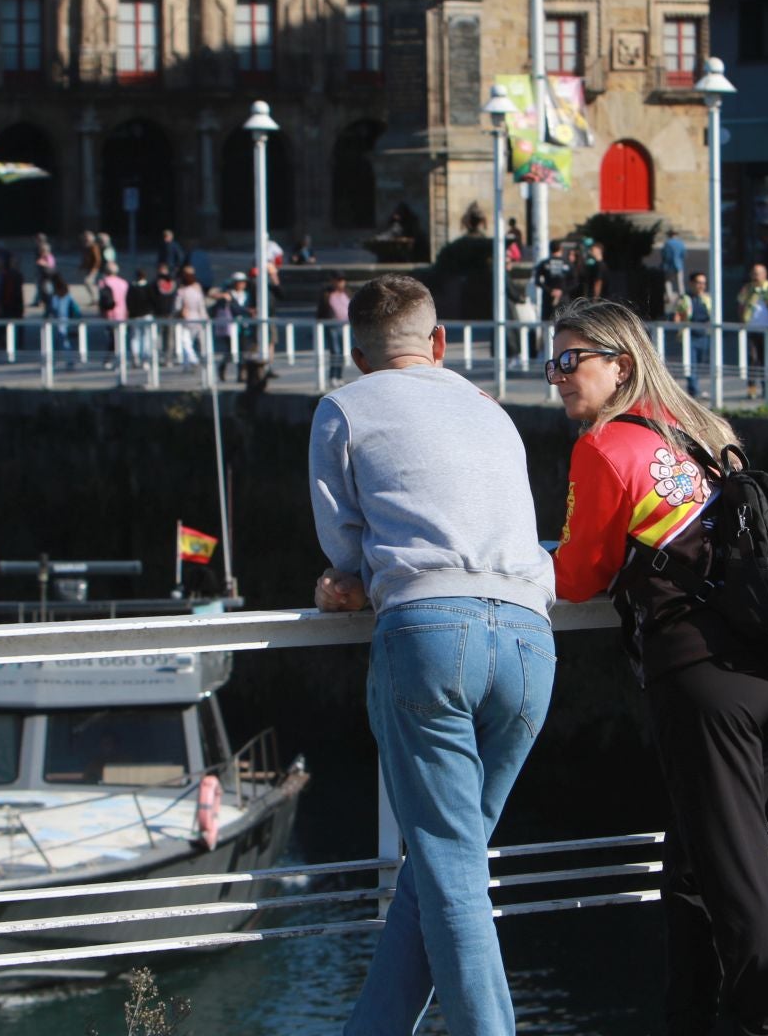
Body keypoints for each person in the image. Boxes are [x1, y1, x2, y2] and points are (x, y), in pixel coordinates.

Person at [308, 274, 556, 1036]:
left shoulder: (344, 408)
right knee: (443, 864)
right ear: (440, 344)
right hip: (528, 637)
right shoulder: (492, 411)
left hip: (428, 632)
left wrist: (346, 586)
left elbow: (341, 545)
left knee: (451, 872)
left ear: (355, 356)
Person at [548, 297, 768, 1036]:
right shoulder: (702, 428)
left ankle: (764, 1025)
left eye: (572, 361)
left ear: (618, 364)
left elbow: (578, 577)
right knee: (695, 861)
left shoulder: (602, 449)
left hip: (702, 674)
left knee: (735, 872)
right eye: (552, 362)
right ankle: (689, 1017)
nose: (558, 378)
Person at [736, 264, 768, 402]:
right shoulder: (747, 289)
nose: (756, 276)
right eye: (754, 273)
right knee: (752, 359)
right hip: (751, 328)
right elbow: (740, 305)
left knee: (766, 360)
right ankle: (751, 389)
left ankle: (767, 388)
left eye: (759, 273)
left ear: (765, 274)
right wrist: (742, 320)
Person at [671, 270, 714, 397]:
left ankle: (695, 389)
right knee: (691, 364)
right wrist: (678, 325)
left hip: (704, 335)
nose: (701, 286)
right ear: (691, 283)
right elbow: (677, 315)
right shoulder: (685, 299)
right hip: (689, 336)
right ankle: (694, 391)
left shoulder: (707, 299)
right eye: (698, 282)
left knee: (700, 362)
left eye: (703, 283)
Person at [316, 273, 350, 385]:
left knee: (343, 352)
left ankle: (339, 375)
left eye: (342, 280)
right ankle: (333, 376)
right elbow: (321, 311)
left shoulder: (346, 293)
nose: (341, 283)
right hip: (332, 326)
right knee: (335, 351)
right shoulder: (327, 294)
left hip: (344, 326)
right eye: (338, 280)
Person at [44, 272, 81, 371]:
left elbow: (50, 309)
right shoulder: (65, 296)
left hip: (60, 322)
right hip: (60, 322)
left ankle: (66, 361)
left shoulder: (55, 297)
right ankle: (53, 362)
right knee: (57, 343)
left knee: (62, 342)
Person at [174, 265, 207, 368]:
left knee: (186, 341)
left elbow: (177, 306)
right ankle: (190, 361)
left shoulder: (183, 291)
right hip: (196, 318)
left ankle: (192, 360)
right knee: (192, 341)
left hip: (188, 318)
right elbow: (201, 306)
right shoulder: (196, 290)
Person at [126, 266, 158, 367]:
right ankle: (145, 358)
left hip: (135, 316)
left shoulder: (132, 288)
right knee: (146, 337)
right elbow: (154, 301)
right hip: (146, 315)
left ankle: (136, 357)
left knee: (135, 337)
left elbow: (128, 302)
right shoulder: (149, 287)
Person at [661, 228, 689, 307]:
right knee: (679, 280)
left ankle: (669, 296)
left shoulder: (667, 243)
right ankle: (681, 295)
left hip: (669, 264)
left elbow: (664, 254)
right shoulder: (680, 243)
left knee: (668, 281)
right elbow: (684, 254)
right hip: (678, 264)